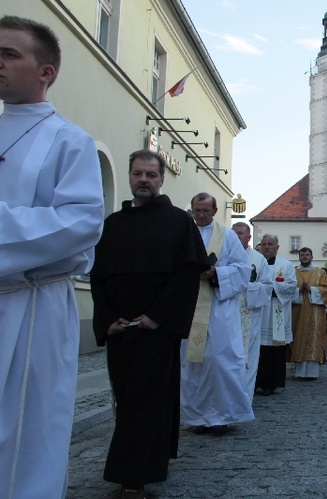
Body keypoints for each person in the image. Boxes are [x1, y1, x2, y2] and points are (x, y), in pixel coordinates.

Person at [0, 15, 104, 498]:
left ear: (46, 72)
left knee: (27, 429)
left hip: (32, 305)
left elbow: (82, 222)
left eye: (9, 54)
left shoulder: (69, 139)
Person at [91, 150, 207, 497]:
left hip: (155, 329)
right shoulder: (113, 224)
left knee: (147, 401)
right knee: (126, 399)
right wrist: (107, 320)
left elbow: (187, 277)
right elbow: (98, 277)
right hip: (121, 330)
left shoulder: (177, 221)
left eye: (150, 175)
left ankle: (132, 477)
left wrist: (157, 317)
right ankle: (141, 465)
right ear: (129, 177)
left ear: (161, 179)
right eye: (138, 174)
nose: (144, 180)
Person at [181, 193, 253, 435]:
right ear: (191, 210)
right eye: (197, 210)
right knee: (192, 363)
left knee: (220, 361)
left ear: (214, 212)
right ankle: (197, 416)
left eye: (205, 211)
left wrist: (215, 274)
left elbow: (243, 269)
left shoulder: (227, 235)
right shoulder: (183, 232)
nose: (201, 215)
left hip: (219, 309)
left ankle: (222, 416)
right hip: (189, 307)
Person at [232, 222, 273, 406]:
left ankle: (243, 401)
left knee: (247, 357)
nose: (237, 236)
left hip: (249, 314)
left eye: (241, 234)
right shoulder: (224, 256)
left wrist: (247, 287)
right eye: (234, 233)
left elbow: (267, 286)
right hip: (226, 314)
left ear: (249, 237)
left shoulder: (258, 259)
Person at [257, 234, 297, 395]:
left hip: (276, 311)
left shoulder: (286, 265)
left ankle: (271, 383)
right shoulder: (255, 263)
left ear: (277, 247)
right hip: (259, 311)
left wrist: (269, 287)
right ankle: (255, 382)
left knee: (275, 349)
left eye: (270, 244)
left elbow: (292, 285)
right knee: (258, 348)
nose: (266, 247)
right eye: (264, 244)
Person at [290, 247, 327, 379]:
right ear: (299, 257)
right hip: (298, 312)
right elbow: (287, 290)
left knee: (313, 338)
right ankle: (299, 371)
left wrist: (312, 289)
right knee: (299, 338)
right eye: (302, 255)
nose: (304, 257)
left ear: (311, 257)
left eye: (307, 254)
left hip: (315, 313)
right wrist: (299, 290)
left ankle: (312, 373)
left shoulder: (320, 272)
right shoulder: (293, 272)